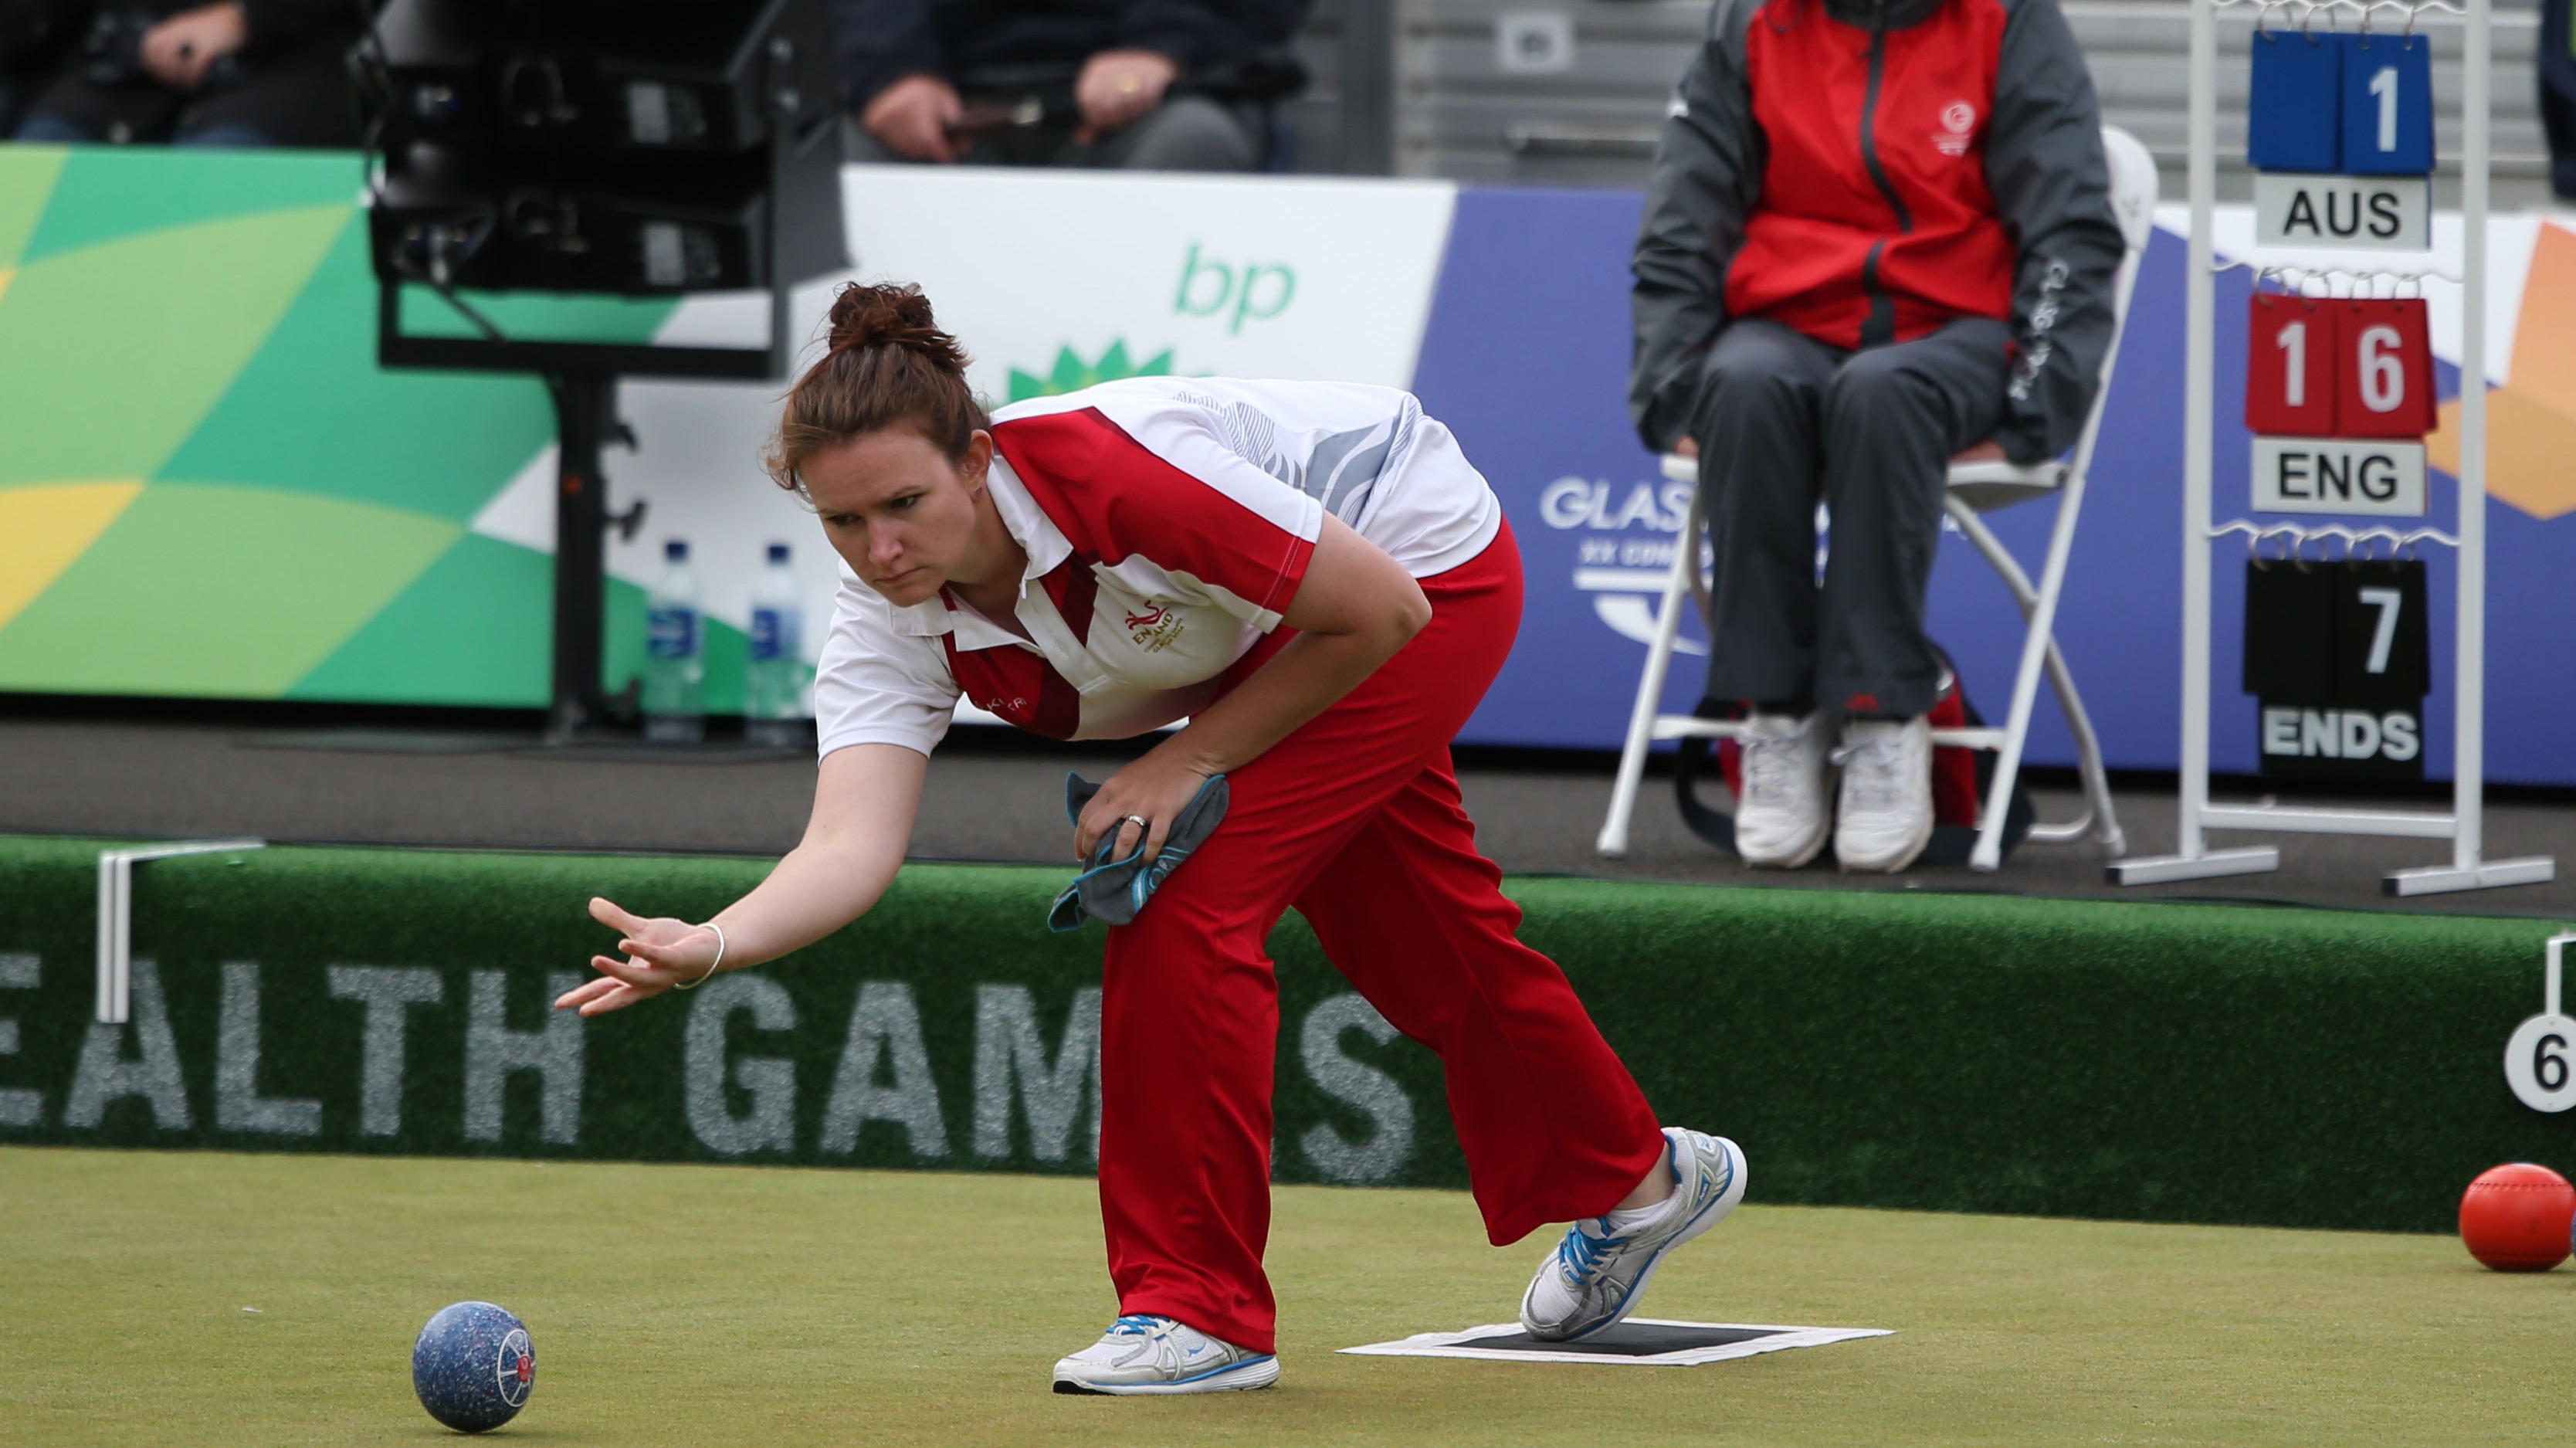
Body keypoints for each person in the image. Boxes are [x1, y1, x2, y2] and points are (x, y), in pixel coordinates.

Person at [556, 282, 1747, 1395]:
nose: (880, 549)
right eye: (844, 520)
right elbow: (847, 848)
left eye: (905, 505)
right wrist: (709, 943)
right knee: (1418, 931)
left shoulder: (1118, 474)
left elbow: (1379, 609)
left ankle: (1199, 1307)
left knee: (1177, 886)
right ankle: (1640, 1178)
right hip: (1277, 638)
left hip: (1417, 565)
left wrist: (1188, 756)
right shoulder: (890, 616)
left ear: (977, 458)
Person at [1630, 0, 2123, 872]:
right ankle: (1774, 715)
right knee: (1738, 385)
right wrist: (1675, 393)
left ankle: (1886, 713)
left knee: (1882, 390)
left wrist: (2038, 409)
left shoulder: (2006, 21)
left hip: (1956, 333)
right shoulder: (1756, 20)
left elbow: (2071, 228)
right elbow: (1684, 212)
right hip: (1786, 325)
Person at [832, 0, 1301, 171]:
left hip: (1152, 105)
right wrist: (890, 73)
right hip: (943, 110)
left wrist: (1161, 45)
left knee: (1195, 141)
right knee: (832, 168)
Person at [8, 0, 359, 147]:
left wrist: (247, 16)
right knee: (41, 151)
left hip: (308, 53)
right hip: (132, 58)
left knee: (219, 159)